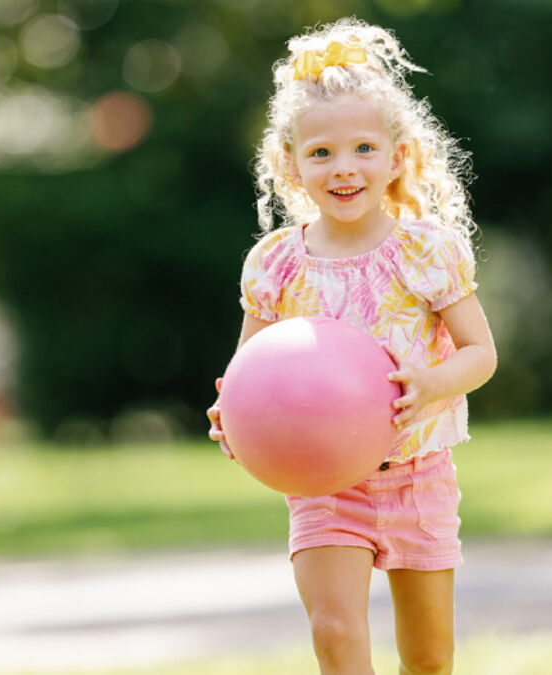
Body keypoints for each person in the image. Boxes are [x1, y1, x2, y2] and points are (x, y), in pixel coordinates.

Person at [206, 18, 497, 675]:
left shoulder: (425, 251)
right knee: (336, 637)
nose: (343, 168)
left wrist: (430, 381)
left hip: (417, 476)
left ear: (398, 157)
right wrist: (232, 415)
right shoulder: (276, 263)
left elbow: (481, 353)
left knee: (429, 659)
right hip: (323, 483)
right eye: (321, 153)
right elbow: (247, 372)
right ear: (291, 164)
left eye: (364, 147)